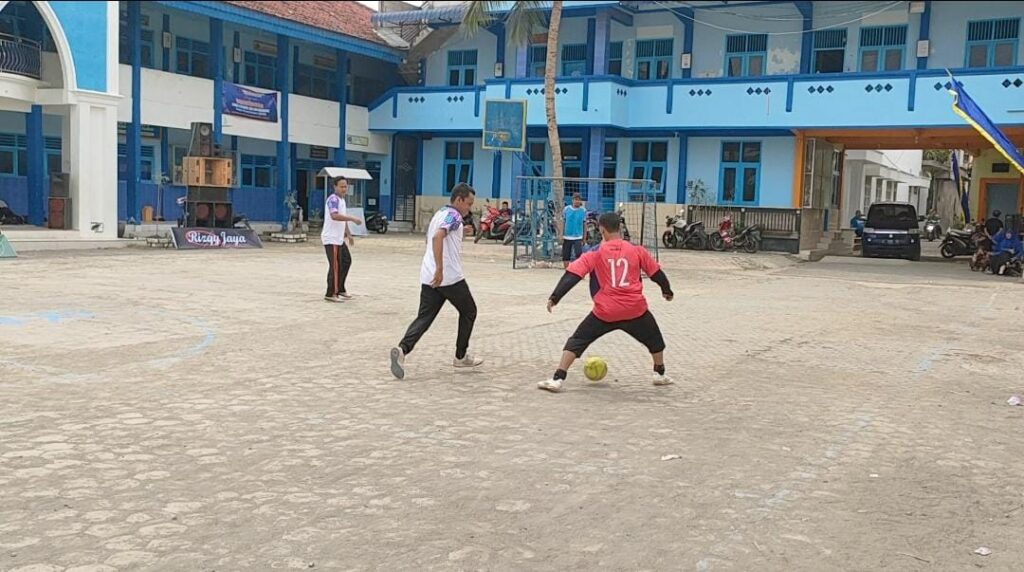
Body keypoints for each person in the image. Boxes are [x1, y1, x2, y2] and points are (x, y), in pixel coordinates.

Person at [538, 212, 675, 393]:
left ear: (601, 229)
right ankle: (659, 374)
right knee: (655, 340)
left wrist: (555, 297)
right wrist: (667, 291)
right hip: (635, 310)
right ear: (620, 228)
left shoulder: (595, 253)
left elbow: (572, 275)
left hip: (605, 312)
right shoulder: (637, 250)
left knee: (577, 340)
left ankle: (557, 378)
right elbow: (656, 273)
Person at [390, 183, 483, 379]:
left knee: (425, 317)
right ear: (459, 200)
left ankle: (402, 349)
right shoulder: (454, 215)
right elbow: (438, 237)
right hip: (448, 276)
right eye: (468, 203)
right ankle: (460, 356)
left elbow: (437, 235)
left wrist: (460, 232)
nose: (469, 208)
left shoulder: (440, 213)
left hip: (428, 274)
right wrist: (440, 268)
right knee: (469, 311)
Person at [322, 177, 362, 302]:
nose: (344, 189)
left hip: (339, 238)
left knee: (346, 261)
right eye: (341, 186)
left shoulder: (342, 200)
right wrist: (352, 218)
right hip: (331, 238)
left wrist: (348, 234)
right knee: (334, 265)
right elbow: (335, 216)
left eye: (345, 186)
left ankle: (340, 288)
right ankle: (331, 293)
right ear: (335, 187)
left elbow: (342, 220)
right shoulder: (333, 199)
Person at [562, 193, 586, 268]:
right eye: (575, 199)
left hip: (578, 236)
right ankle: (567, 270)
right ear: (572, 200)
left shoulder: (583, 211)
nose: (577, 201)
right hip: (567, 236)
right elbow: (563, 222)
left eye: (579, 200)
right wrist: (561, 234)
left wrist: (584, 237)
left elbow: (584, 224)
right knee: (566, 255)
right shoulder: (566, 209)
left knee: (579, 254)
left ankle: (578, 270)